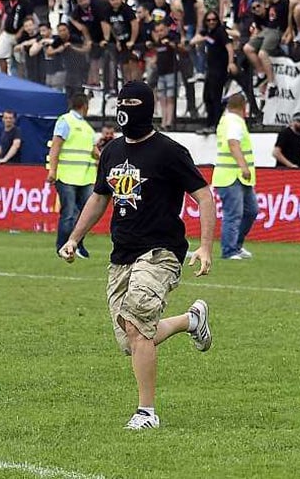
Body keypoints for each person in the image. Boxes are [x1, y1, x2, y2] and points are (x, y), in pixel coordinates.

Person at [58, 81, 215, 431]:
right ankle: (191, 321)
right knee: (133, 337)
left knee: (136, 324)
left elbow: (204, 196)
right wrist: (74, 238)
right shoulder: (112, 152)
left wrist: (205, 246)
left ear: (145, 107)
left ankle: (146, 412)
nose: (123, 108)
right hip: (122, 255)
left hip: (161, 252)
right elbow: (100, 198)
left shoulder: (169, 151)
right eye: (120, 101)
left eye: (130, 102)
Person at [48, 93, 99, 259]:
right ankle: (62, 246)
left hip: (85, 178)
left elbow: (93, 152)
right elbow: (55, 146)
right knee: (69, 213)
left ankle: (77, 244)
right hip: (67, 176)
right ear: (84, 106)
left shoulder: (86, 128)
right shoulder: (65, 121)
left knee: (85, 214)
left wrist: (107, 158)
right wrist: (52, 171)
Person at [212, 93, 257, 260]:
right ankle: (229, 250)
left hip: (236, 177)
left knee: (251, 211)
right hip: (231, 176)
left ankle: (236, 245)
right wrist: (243, 166)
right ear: (243, 107)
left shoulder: (226, 120)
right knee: (234, 214)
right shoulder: (234, 122)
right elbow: (233, 144)